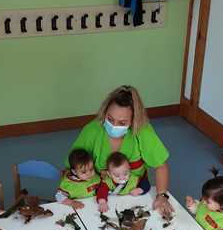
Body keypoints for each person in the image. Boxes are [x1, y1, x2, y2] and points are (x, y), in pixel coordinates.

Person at [68, 85, 174, 219]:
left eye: (122, 123)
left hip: (134, 193)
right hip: (98, 196)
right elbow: (73, 166)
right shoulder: (92, 130)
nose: (114, 126)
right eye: (110, 119)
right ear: (104, 113)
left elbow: (161, 165)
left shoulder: (142, 131)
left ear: (134, 121)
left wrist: (161, 195)